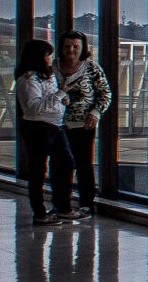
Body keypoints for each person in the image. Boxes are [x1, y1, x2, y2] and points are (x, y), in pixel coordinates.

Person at [13, 40, 76, 224]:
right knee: (39, 170)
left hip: (55, 125)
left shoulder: (46, 76)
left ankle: (63, 206)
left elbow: (51, 97)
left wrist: (62, 98)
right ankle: (40, 212)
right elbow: (33, 108)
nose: (51, 58)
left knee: (66, 163)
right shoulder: (28, 79)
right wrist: (60, 94)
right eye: (48, 54)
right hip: (38, 127)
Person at [56, 31, 113, 213]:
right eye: (67, 46)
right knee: (60, 164)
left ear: (83, 48)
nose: (71, 50)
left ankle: (86, 203)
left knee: (83, 163)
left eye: (76, 46)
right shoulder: (53, 67)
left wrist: (96, 113)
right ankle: (61, 204)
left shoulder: (91, 67)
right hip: (57, 124)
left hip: (83, 124)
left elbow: (105, 93)